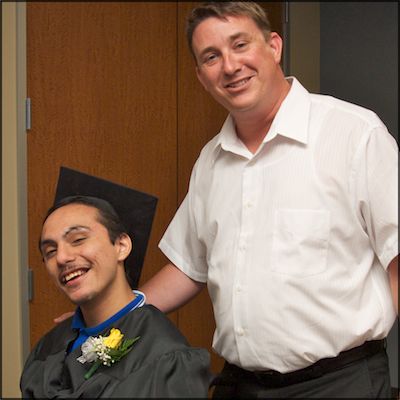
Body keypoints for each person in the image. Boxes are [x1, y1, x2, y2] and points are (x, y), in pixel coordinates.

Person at [139, 2, 398, 398]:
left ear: (274, 46)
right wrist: (114, 317)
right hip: (240, 385)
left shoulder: (354, 134)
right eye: (212, 57)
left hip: (339, 384)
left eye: (240, 44)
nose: (229, 65)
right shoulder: (211, 160)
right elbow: (189, 266)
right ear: (201, 76)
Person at [20, 191, 211, 398]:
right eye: (50, 251)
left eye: (78, 240)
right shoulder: (48, 347)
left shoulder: (165, 355)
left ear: (121, 246)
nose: (62, 258)